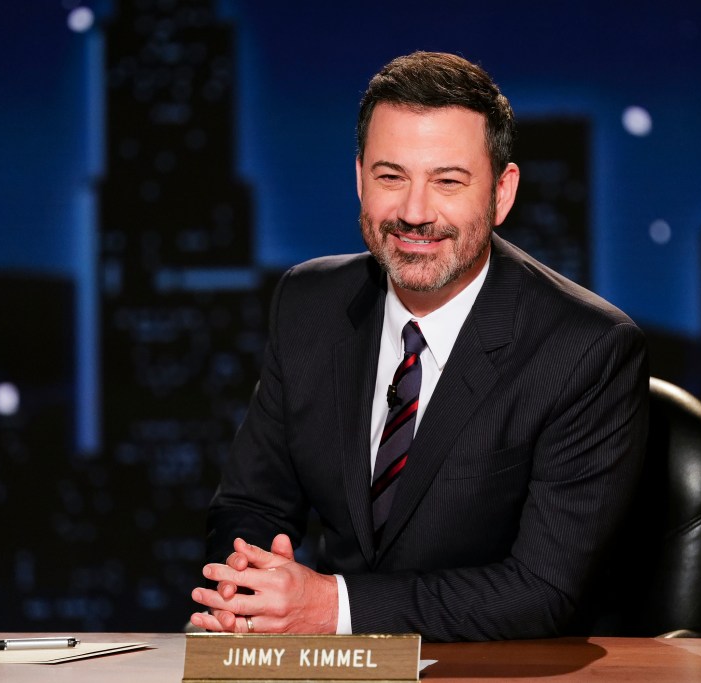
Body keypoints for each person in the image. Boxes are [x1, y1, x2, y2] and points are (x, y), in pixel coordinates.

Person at [190, 51, 649, 641]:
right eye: (391, 177)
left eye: (448, 181)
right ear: (359, 178)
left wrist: (331, 608)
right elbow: (251, 503)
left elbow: (543, 590)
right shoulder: (308, 303)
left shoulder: (585, 350)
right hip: (333, 671)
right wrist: (247, 590)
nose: (413, 212)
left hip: (498, 673)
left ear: (501, 193)